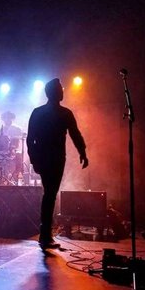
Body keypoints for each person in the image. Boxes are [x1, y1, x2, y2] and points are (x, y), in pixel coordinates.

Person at [27, 78, 89, 250]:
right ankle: (45, 235)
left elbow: (30, 139)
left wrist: (34, 160)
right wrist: (82, 152)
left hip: (46, 159)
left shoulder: (38, 112)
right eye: (61, 89)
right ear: (55, 92)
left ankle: (45, 234)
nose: (63, 91)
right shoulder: (65, 113)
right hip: (56, 159)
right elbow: (75, 134)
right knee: (50, 195)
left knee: (49, 194)